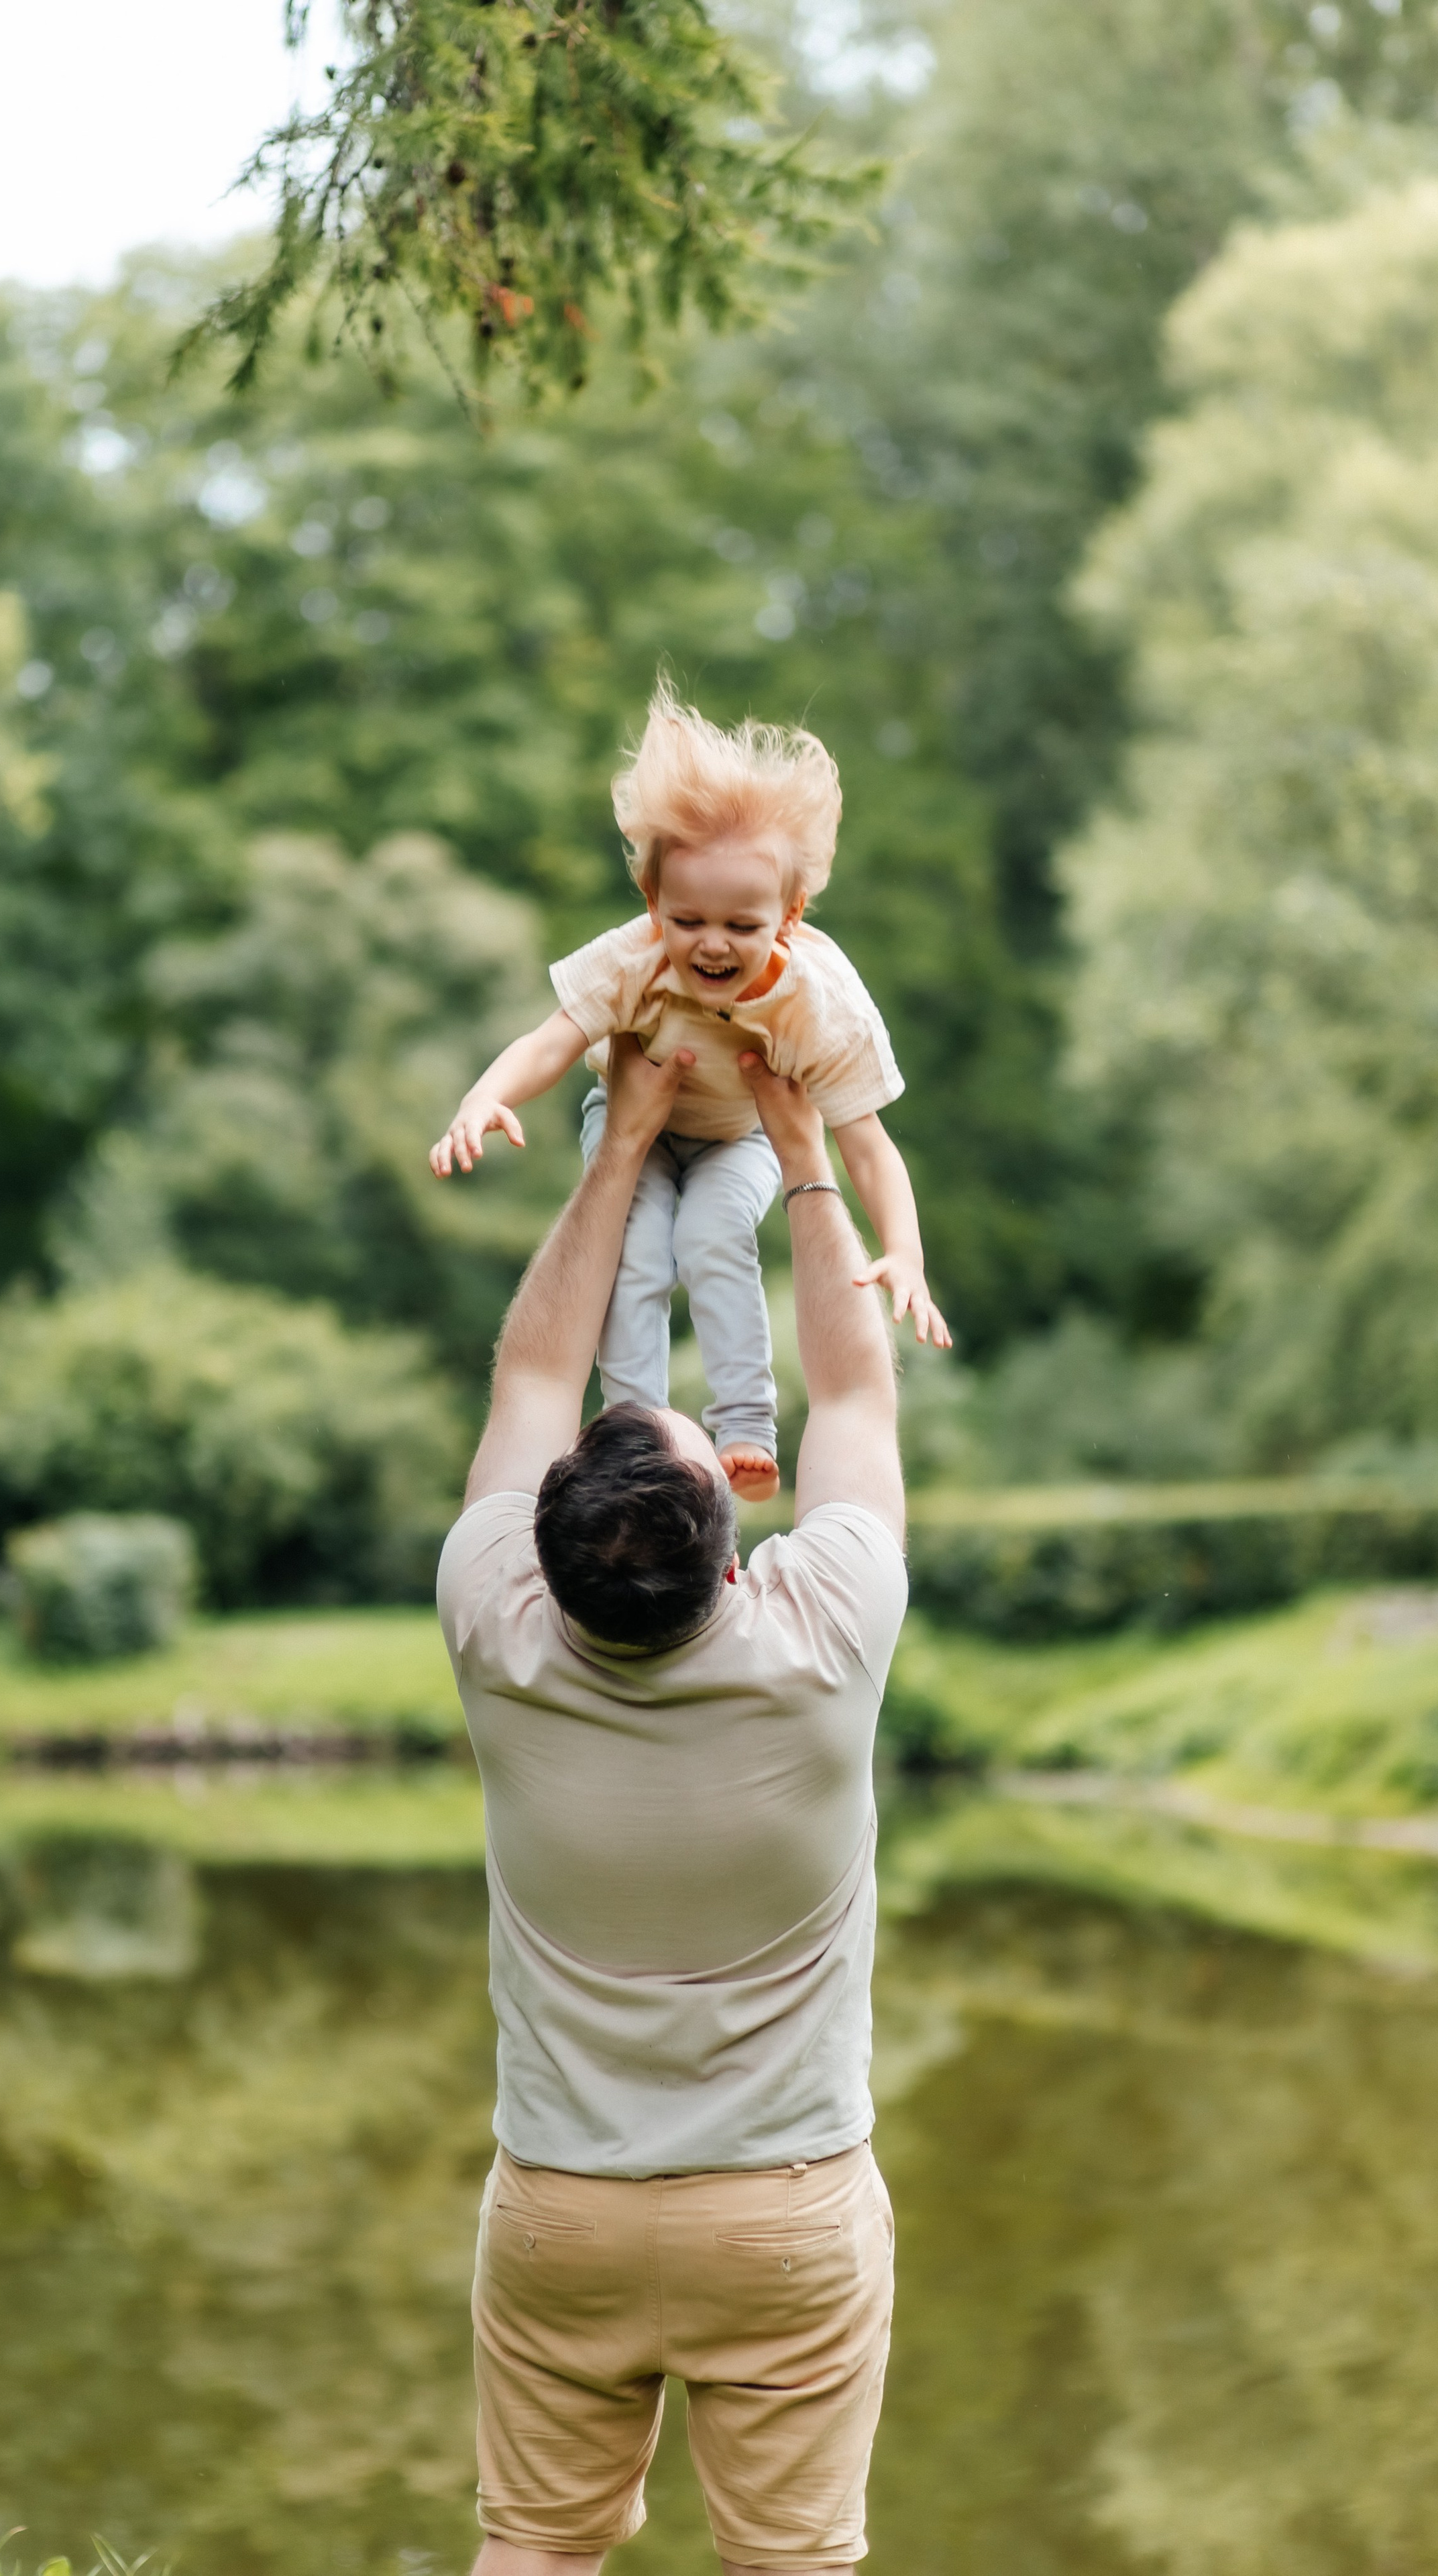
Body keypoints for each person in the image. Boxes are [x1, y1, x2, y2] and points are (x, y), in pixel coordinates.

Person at [436, 1028, 910, 2576]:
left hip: (563, 2208)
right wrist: (800, 1144)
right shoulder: (819, 1631)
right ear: (728, 1543)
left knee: (533, 2545)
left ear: (547, 1539)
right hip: (780, 2212)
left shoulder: (500, 1627)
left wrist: (615, 1143)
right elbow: (850, 1388)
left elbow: (529, 1365)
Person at [430, 682, 950, 1507]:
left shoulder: (820, 1001)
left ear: (789, 913)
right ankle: (631, 1432)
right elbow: (550, 1041)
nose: (711, 944)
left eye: (741, 926)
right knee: (634, 1251)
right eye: (688, 920)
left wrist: (905, 1249)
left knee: (712, 1235)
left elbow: (866, 1142)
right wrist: (485, 1098)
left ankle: (745, 1428)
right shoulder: (633, 954)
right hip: (630, 1122)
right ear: (652, 904)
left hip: (737, 1138)